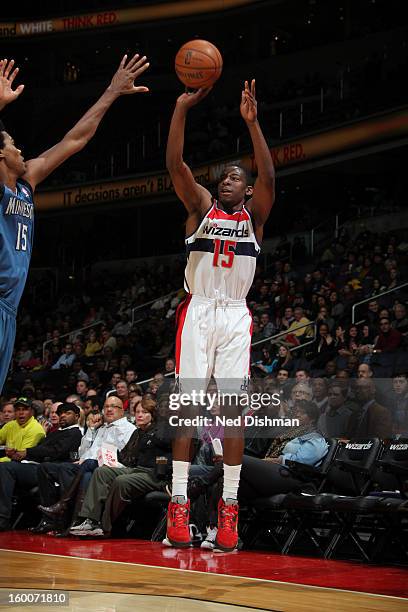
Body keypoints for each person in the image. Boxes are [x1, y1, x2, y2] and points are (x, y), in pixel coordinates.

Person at [165, 79, 275, 551]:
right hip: (199, 310)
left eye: (234, 177)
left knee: (234, 412)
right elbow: (175, 165)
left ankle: (229, 511)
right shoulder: (200, 208)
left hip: (234, 316)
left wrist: (253, 125)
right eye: (223, 176)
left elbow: (270, 176)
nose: (224, 180)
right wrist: (180, 109)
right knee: (187, 408)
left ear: (247, 190)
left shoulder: (256, 217)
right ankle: (178, 504)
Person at [0, 54, 149, 393]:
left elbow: (75, 139)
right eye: (12, 145)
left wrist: (112, 91)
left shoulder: (27, 183)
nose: (20, 150)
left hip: (8, 308)